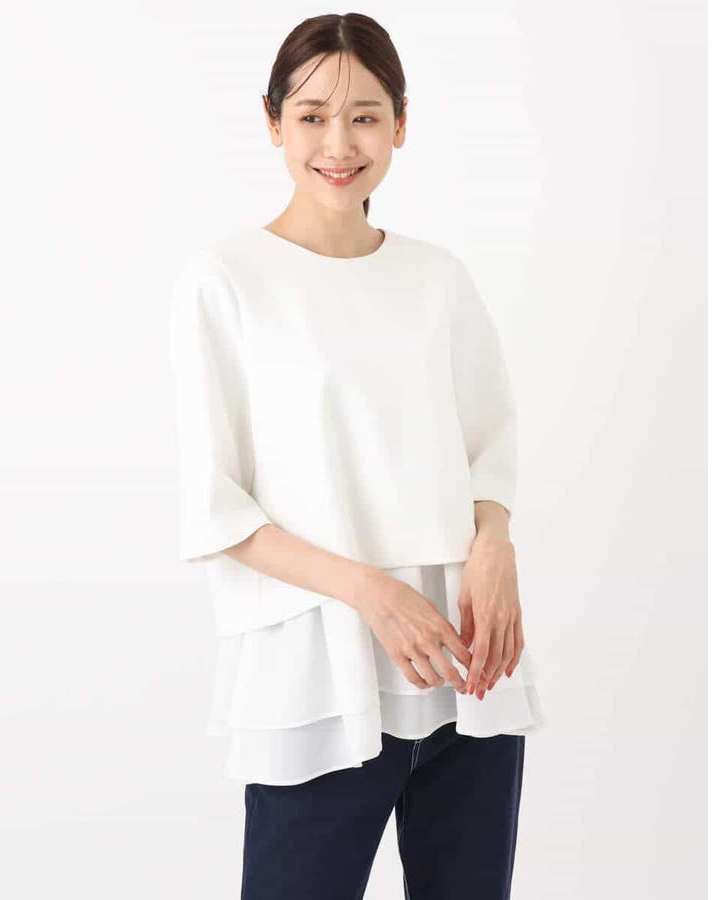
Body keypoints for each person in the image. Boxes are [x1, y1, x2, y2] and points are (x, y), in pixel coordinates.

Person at [169, 13, 546, 899]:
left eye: (366, 116)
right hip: (319, 670)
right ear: (273, 123)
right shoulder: (227, 280)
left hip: (468, 664)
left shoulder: (436, 277)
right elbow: (217, 508)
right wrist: (374, 592)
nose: (339, 143)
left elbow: (489, 443)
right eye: (311, 116)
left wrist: (494, 545)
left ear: (401, 124)